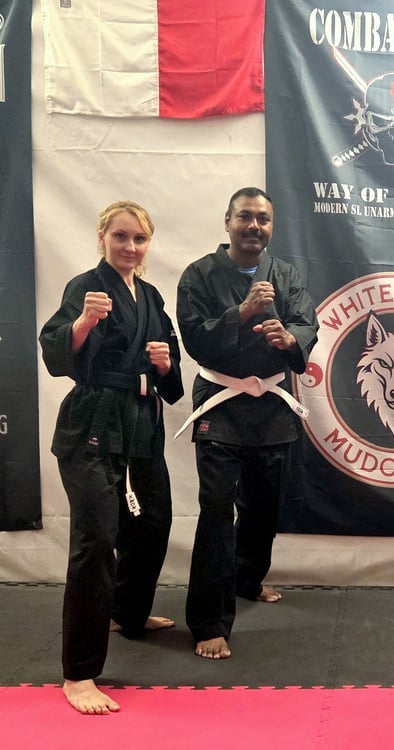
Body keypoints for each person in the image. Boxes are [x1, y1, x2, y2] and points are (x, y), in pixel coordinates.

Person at [39, 200, 183, 714]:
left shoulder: (149, 294)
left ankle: (127, 611)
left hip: (141, 422)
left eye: (139, 239)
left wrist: (166, 365)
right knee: (96, 540)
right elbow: (57, 353)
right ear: (102, 236)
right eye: (120, 236)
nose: (130, 247)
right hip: (93, 425)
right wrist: (81, 323)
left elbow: (172, 375)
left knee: (153, 521)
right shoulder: (86, 288)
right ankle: (78, 674)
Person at [176, 187, 318, 660]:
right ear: (227, 221)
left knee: (264, 506)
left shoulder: (287, 275)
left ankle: (247, 578)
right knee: (217, 510)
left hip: (272, 403)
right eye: (245, 217)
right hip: (220, 402)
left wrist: (287, 337)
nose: (254, 226)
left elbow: (306, 323)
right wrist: (243, 313)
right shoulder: (199, 275)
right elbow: (195, 339)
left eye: (263, 219)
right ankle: (209, 621)